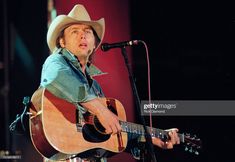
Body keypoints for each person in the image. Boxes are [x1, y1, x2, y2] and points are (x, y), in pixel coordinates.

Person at [40, 4, 180, 162]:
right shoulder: (56, 62)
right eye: (75, 31)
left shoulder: (95, 89)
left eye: (87, 32)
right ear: (62, 42)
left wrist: (150, 138)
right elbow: (57, 77)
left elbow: (109, 136)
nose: (82, 36)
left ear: (94, 44)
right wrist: (101, 110)